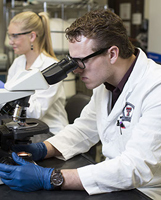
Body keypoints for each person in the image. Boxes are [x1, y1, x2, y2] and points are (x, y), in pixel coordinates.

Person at [0, 9, 161, 200]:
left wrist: (52, 177)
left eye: (80, 61)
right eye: (71, 61)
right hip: (115, 181)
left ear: (112, 54)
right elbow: (83, 130)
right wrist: (43, 149)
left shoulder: (155, 87)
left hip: (146, 190)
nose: (75, 70)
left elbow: (135, 167)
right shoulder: (105, 84)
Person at [5, 11, 68, 140]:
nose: (11, 42)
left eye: (15, 36)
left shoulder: (51, 67)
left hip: (50, 134)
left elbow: (36, 112)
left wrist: (8, 97)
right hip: (25, 128)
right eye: (9, 36)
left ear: (32, 36)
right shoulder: (18, 63)